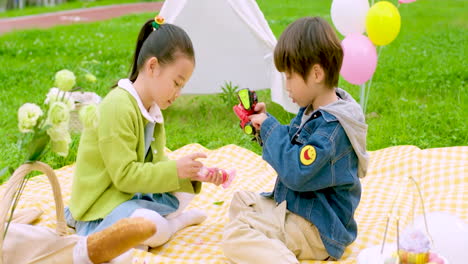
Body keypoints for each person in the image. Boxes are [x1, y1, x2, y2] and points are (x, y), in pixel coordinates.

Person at [66, 15, 224, 254]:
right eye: (177, 83)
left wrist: (194, 174)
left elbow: (156, 169)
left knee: (177, 193)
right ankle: (172, 225)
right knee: (151, 225)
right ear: (152, 67)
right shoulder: (118, 105)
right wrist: (174, 170)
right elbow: (125, 176)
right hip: (99, 208)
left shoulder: (152, 111)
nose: (179, 92)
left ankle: (160, 228)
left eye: (182, 86)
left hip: (127, 197)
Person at [222, 17, 369, 263]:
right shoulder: (314, 110)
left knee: (235, 237)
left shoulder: (331, 129)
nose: (286, 85)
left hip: (318, 228)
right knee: (241, 201)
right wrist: (264, 125)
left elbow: (297, 171)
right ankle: (268, 242)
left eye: (290, 77)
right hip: (301, 209)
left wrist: (270, 128)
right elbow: (291, 143)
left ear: (316, 73)